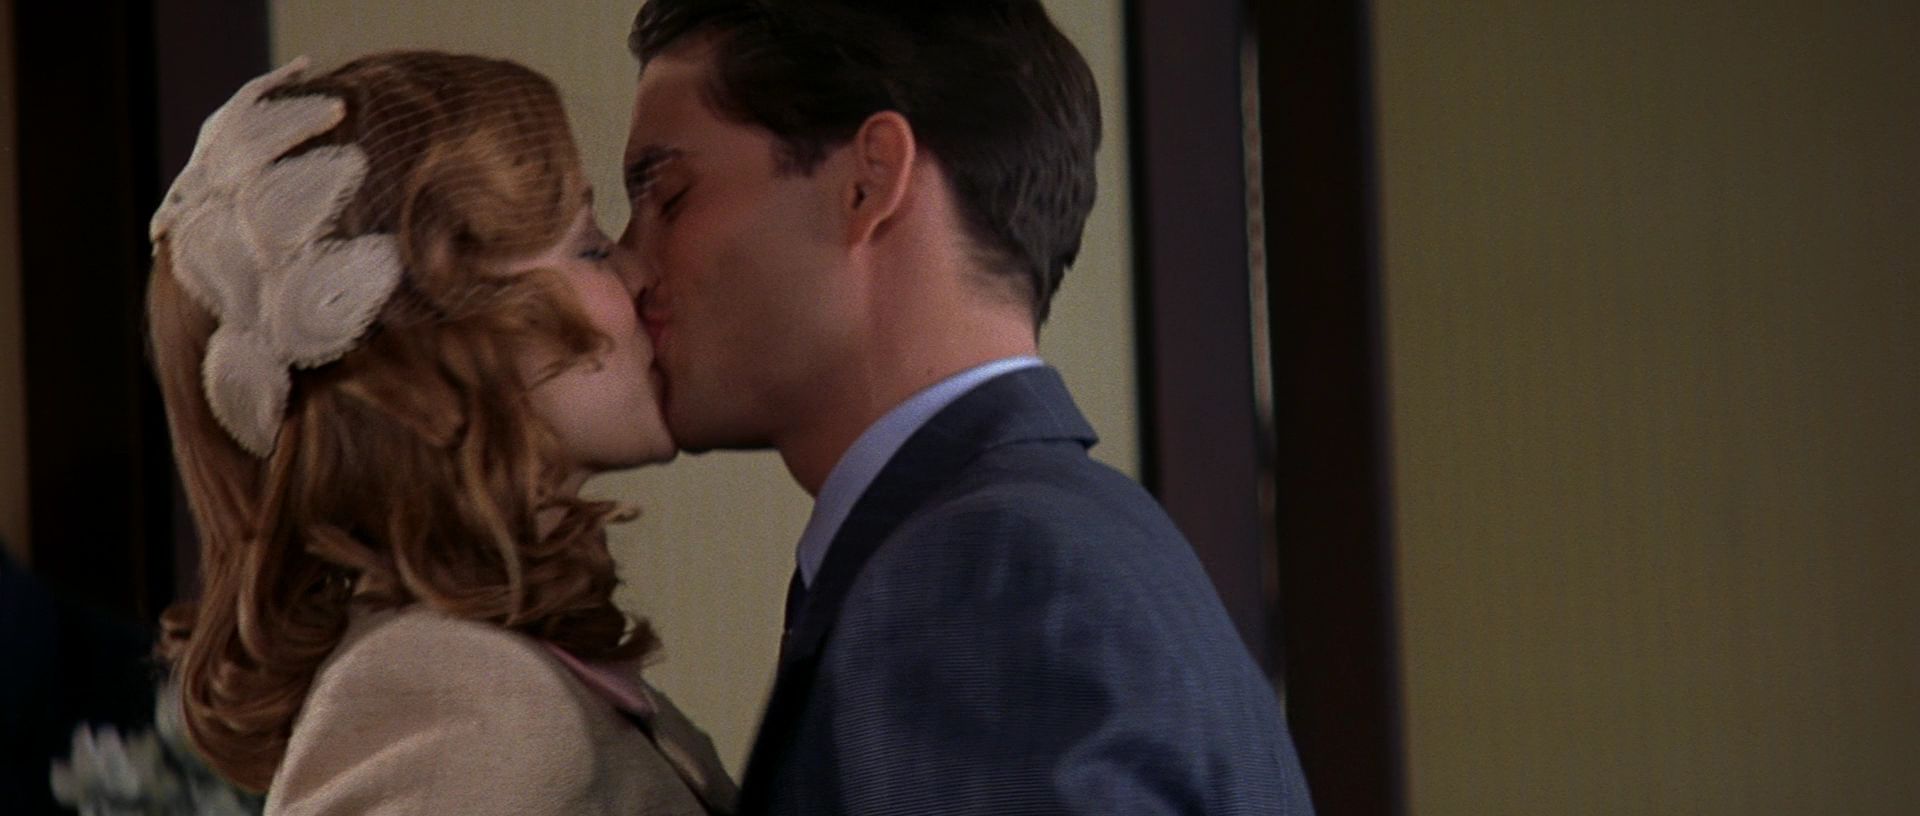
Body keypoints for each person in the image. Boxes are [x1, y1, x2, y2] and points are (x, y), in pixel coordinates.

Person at [620, 1, 1315, 813]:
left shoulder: (982, 577)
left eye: (669, 195)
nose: (628, 268)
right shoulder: (1059, 544)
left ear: (868, 181)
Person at [148, 51, 734, 814]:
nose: (639, 273)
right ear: (445, 345)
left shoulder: (502, 665)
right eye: (590, 246)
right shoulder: (456, 691)